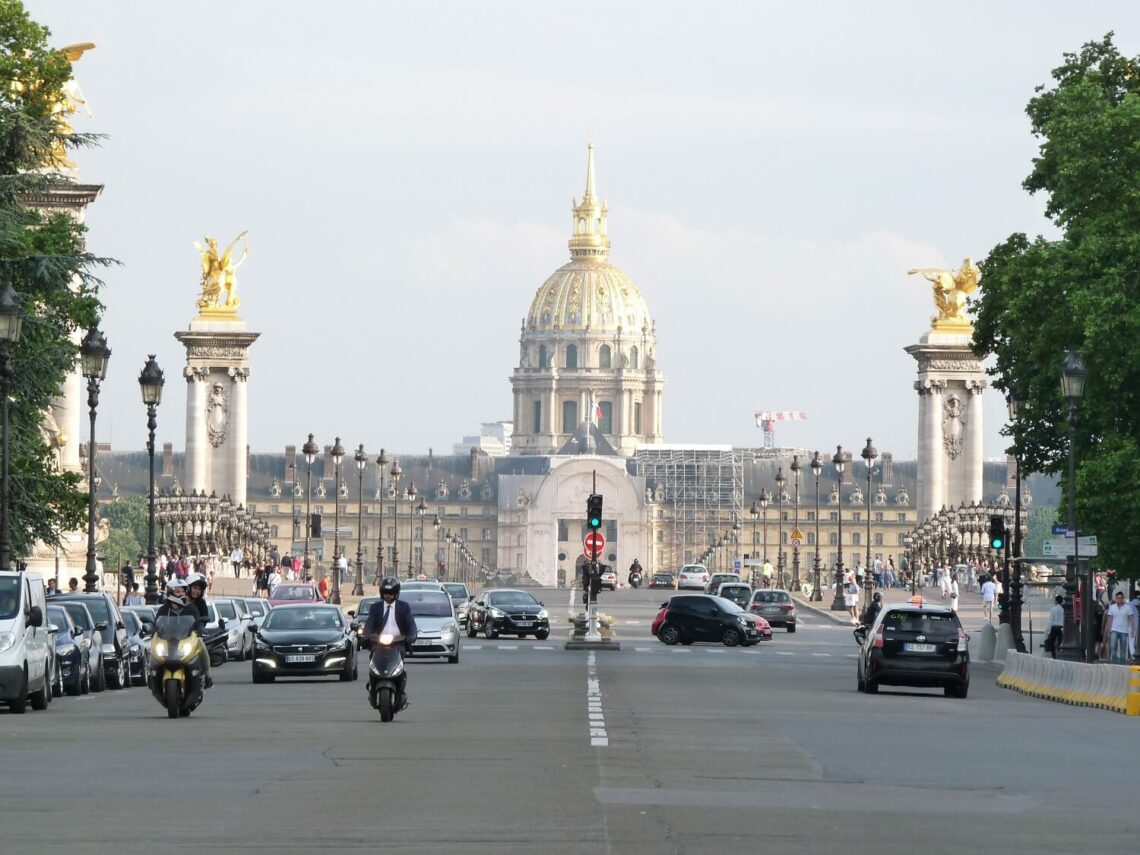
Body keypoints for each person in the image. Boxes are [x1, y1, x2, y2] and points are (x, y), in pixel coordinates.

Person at [363, 576, 418, 709]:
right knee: (373, 655)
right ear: (382, 593)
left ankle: (400, 687)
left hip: (397, 643)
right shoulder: (376, 608)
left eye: (391, 593)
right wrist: (367, 635)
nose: (388, 596)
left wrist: (411, 635)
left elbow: (410, 624)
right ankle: (373, 684)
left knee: (400, 655)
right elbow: (369, 623)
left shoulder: (403, 607)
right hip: (379, 642)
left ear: (396, 593)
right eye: (386, 593)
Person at [1105, 590, 1135, 664]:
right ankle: (1115, 660)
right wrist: (1109, 629)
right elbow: (1109, 619)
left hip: (1124, 631)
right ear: (1116, 599)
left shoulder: (1128, 607)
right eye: (1118, 598)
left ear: (1123, 598)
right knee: (1113, 645)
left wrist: (1132, 629)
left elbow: (1131, 619)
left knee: (1123, 648)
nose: (1119, 599)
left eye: (1121, 598)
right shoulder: (1112, 607)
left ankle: (1121, 662)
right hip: (1114, 629)